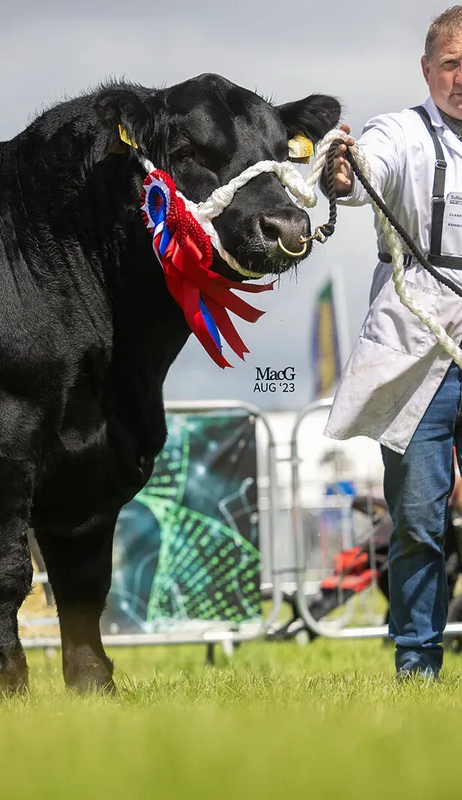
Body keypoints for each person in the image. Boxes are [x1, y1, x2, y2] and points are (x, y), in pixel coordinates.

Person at [322, 5, 462, 680]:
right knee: (418, 519)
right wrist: (343, 173)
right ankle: (417, 666)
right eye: (451, 63)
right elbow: (362, 171)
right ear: (427, 69)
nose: (461, 78)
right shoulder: (400, 132)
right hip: (419, 345)